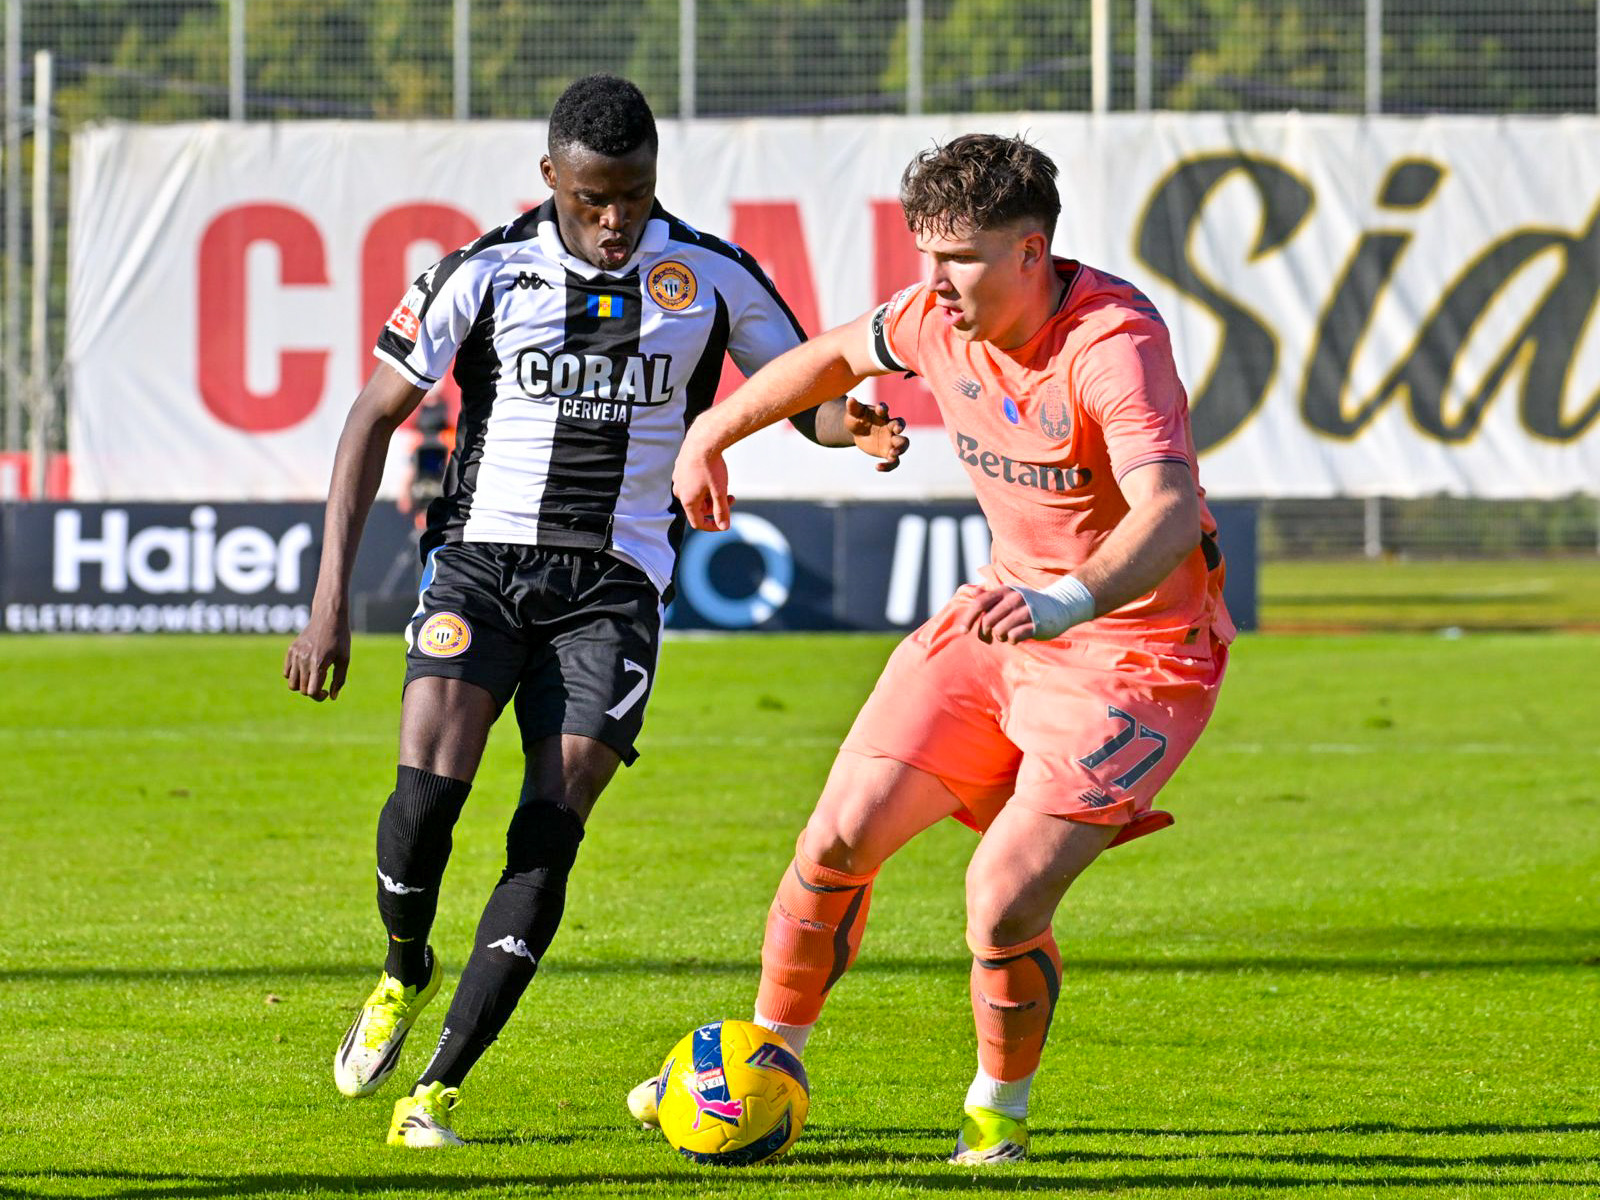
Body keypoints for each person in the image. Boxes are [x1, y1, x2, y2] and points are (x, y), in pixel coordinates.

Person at [282, 73, 907, 1150]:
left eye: (633, 195)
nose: (615, 219)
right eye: (592, 198)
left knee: (546, 833)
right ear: (550, 178)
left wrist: (857, 426)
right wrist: (327, 598)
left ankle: (435, 1091)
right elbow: (371, 416)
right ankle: (403, 966)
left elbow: (802, 396)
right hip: (480, 566)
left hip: (614, 589)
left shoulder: (710, 276)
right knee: (425, 803)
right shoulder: (483, 272)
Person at [642, 132, 1234, 1164]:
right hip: (997, 619)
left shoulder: (1112, 345)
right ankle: (763, 1066)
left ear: (1031, 252)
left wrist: (1065, 601)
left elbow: (1170, 511)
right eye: (927, 253)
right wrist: (710, 434)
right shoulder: (931, 317)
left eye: (960, 257)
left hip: (1133, 652)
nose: (937, 280)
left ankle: (996, 1115)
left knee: (1001, 902)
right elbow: (831, 357)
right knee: (836, 840)